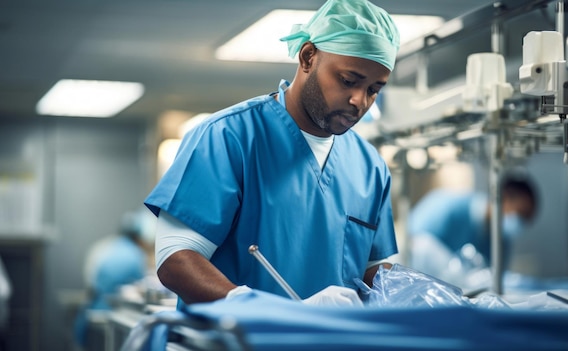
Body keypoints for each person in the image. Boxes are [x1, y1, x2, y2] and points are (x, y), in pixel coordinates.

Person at [144, 0, 400, 308]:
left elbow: (373, 272)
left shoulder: (369, 166)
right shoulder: (228, 137)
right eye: (348, 81)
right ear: (308, 57)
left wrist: (419, 299)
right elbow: (176, 260)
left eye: (374, 89)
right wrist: (258, 309)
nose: (359, 101)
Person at [407, 173, 538, 288]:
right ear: (504, 197)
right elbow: (412, 247)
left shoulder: (502, 242)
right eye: (520, 214)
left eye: (526, 219)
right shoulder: (447, 208)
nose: (519, 223)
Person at [73, 209, 156, 348]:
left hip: (93, 308)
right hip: (109, 311)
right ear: (141, 238)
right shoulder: (135, 255)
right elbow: (139, 288)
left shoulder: (112, 246)